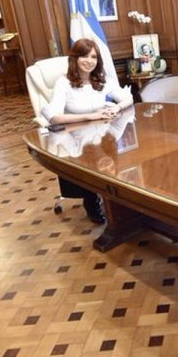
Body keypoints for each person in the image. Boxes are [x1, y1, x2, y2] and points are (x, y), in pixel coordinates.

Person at [41, 38, 133, 223]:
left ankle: (118, 203)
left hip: (100, 133)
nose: (89, 61)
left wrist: (116, 108)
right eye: (84, 56)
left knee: (111, 161)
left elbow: (128, 98)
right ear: (75, 58)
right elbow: (54, 117)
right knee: (90, 164)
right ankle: (91, 201)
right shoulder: (63, 83)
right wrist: (89, 117)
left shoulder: (101, 80)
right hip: (74, 137)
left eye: (93, 57)